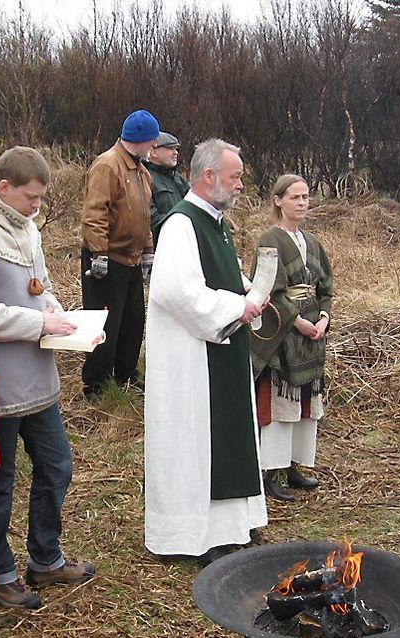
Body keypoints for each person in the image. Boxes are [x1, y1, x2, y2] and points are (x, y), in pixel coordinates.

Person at [0, 147, 95, 610]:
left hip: (37, 376)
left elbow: (37, 288)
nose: (37, 208)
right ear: (3, 188)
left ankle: (45, 559)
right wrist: (40, 324)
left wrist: (62, 316)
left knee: (56, 466)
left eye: (41, 199)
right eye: (31, 198)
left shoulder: (23, 224)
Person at [144, 138, 267, 564]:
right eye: (234, 178)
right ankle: (191, 535)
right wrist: (237, 306)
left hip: (221, 348)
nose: (240, 186)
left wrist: (247, 290)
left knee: (226, 435)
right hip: (191, 359)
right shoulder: (182, 224)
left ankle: (229, 527)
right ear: (209, 176)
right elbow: (176, 291)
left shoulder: (214, 222)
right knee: (196, 442)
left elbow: (216, 276)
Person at [250, 174, 332, 503]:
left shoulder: (312, 243)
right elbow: (269, 289)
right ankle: (271, 471)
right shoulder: (270, 240)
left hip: (313, 335)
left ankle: (294, 466)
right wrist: (297, 322)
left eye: (306, 197)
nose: (302, 202)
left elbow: (326, 287)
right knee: (280, 403)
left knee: (305, 405)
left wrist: (323, 319)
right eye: (295, 197)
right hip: (283, 335)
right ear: (278, 200)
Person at [81, 109, 160, 399]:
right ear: (140, 139)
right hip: (108, 260)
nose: (154, 147)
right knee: (104, 325)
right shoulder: (107, 166)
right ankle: (96, 385)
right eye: (152, 141)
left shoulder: (142, 172)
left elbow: (144, 218)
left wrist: (148, 253)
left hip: (132, 260)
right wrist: (98, 253)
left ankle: (125, 375)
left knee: (132, 322)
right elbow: (94, 213)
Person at [144, 131, 190, 240]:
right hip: (161, 244)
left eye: (176, 149)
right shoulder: (144, 177)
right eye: (170, 149)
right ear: (153, 152)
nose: (175, 153)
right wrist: (180, 228)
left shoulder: (178, 178)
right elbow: (150, 217)